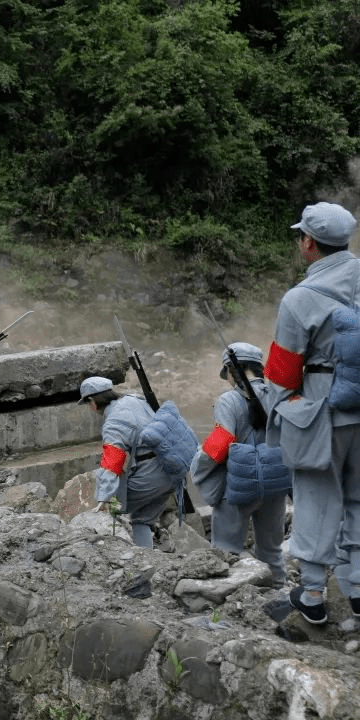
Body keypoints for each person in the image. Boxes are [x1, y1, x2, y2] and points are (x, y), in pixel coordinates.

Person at [264, 201, 360, 625]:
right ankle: (358, 593)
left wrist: (286, 409)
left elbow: (283, 371)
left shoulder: (299, 299)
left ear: (308, 243)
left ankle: (314, 595)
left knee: (317, 499)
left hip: (324, 411)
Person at [189, 343, 287, 587]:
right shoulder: (278, 395)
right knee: (272, 551)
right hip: (276, 483)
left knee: (226, 551)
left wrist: (197, 468)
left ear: (233, 370)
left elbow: (220, 444)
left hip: (239, 486)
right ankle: (278, 592)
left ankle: (228, 602)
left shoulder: (228, 400)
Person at [77, 376, 178, 548]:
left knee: (116, 509)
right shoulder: (135, 400)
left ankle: (124, 557)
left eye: (88, 404)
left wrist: (104, 498)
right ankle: (147, 559)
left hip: (154, 475)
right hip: (174, 469)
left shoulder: (114, 421)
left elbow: (112, 462)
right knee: (141, 519)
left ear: (93, 401)